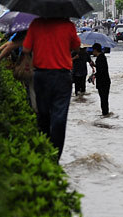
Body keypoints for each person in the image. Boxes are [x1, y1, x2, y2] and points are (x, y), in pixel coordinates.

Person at [18, 17, 81, 161]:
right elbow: (76, 47)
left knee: (43, 114)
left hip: (41, 76)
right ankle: (55, 156)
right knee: (60, 116)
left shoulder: (36, 24)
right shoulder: (68, 25)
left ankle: (44, 149)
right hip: (62, 76)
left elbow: (26, 49)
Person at [90, 43, 111, 116]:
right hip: (105, 81)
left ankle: (105, 114)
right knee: (104, 99)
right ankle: (105, 114)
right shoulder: (102, 57)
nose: (92, 52)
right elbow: (101, 68)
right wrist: (94, 65)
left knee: (103, 99)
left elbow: (101, 71)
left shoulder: (100, 58)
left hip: (103, 82)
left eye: (93, 50)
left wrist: (94, 75)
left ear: (95, 50)